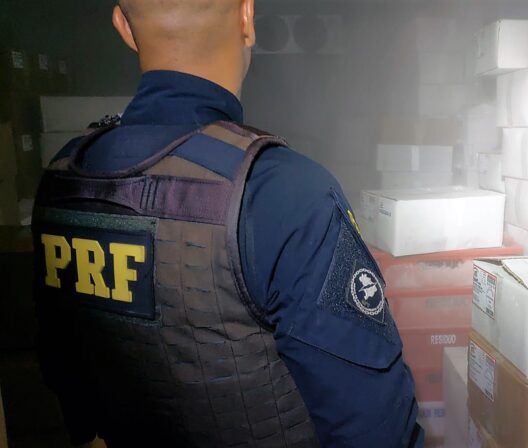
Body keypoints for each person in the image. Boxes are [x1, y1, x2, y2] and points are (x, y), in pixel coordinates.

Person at [31, 1, 423, 447]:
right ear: (246, 17)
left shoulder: (63, 176)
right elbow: (374, 428)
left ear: (123, 26)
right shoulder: (283, 191)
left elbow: (66, 380)